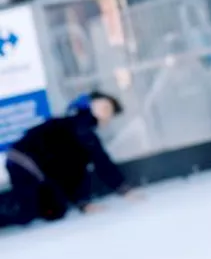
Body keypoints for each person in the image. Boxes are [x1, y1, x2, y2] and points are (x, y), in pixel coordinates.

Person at [4, 91, 138, 224]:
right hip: (26, 161)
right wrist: (121, 189)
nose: (107, 115)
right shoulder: (82, 129)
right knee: (29, 212)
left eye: (109, 111)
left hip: (22, 159)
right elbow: (94, 163)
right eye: (105, 108)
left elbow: (76, 165)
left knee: (50, 211)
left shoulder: (76, 126)